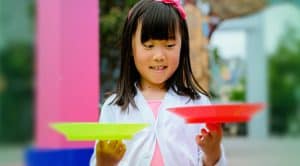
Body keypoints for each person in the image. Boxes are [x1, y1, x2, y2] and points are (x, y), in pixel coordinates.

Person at [90, 0, 226, 165]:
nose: (159, 55)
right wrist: (104, 162)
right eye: (149, 45)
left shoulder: (198, 103)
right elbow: (99, 160)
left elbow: (212, 160)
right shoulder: (114, 107)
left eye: (169, 45)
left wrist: (213, 153)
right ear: (131, 47)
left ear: (182, 46)